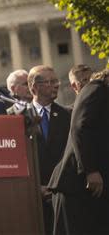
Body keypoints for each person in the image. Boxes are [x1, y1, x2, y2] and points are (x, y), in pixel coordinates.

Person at [48, 69, 109, 234]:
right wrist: (91, 170)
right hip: (78, 184)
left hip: (97, 188)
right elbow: (79, 128)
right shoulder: (96, 88)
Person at [27, 65, 71, 235]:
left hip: (61, 195)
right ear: (34, 87)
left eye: (56, 81)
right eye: (50, 82)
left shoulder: (67, 116)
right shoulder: (16, 117)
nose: (56, 85)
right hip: (31, 197)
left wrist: (54, 187)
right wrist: (35, 187)